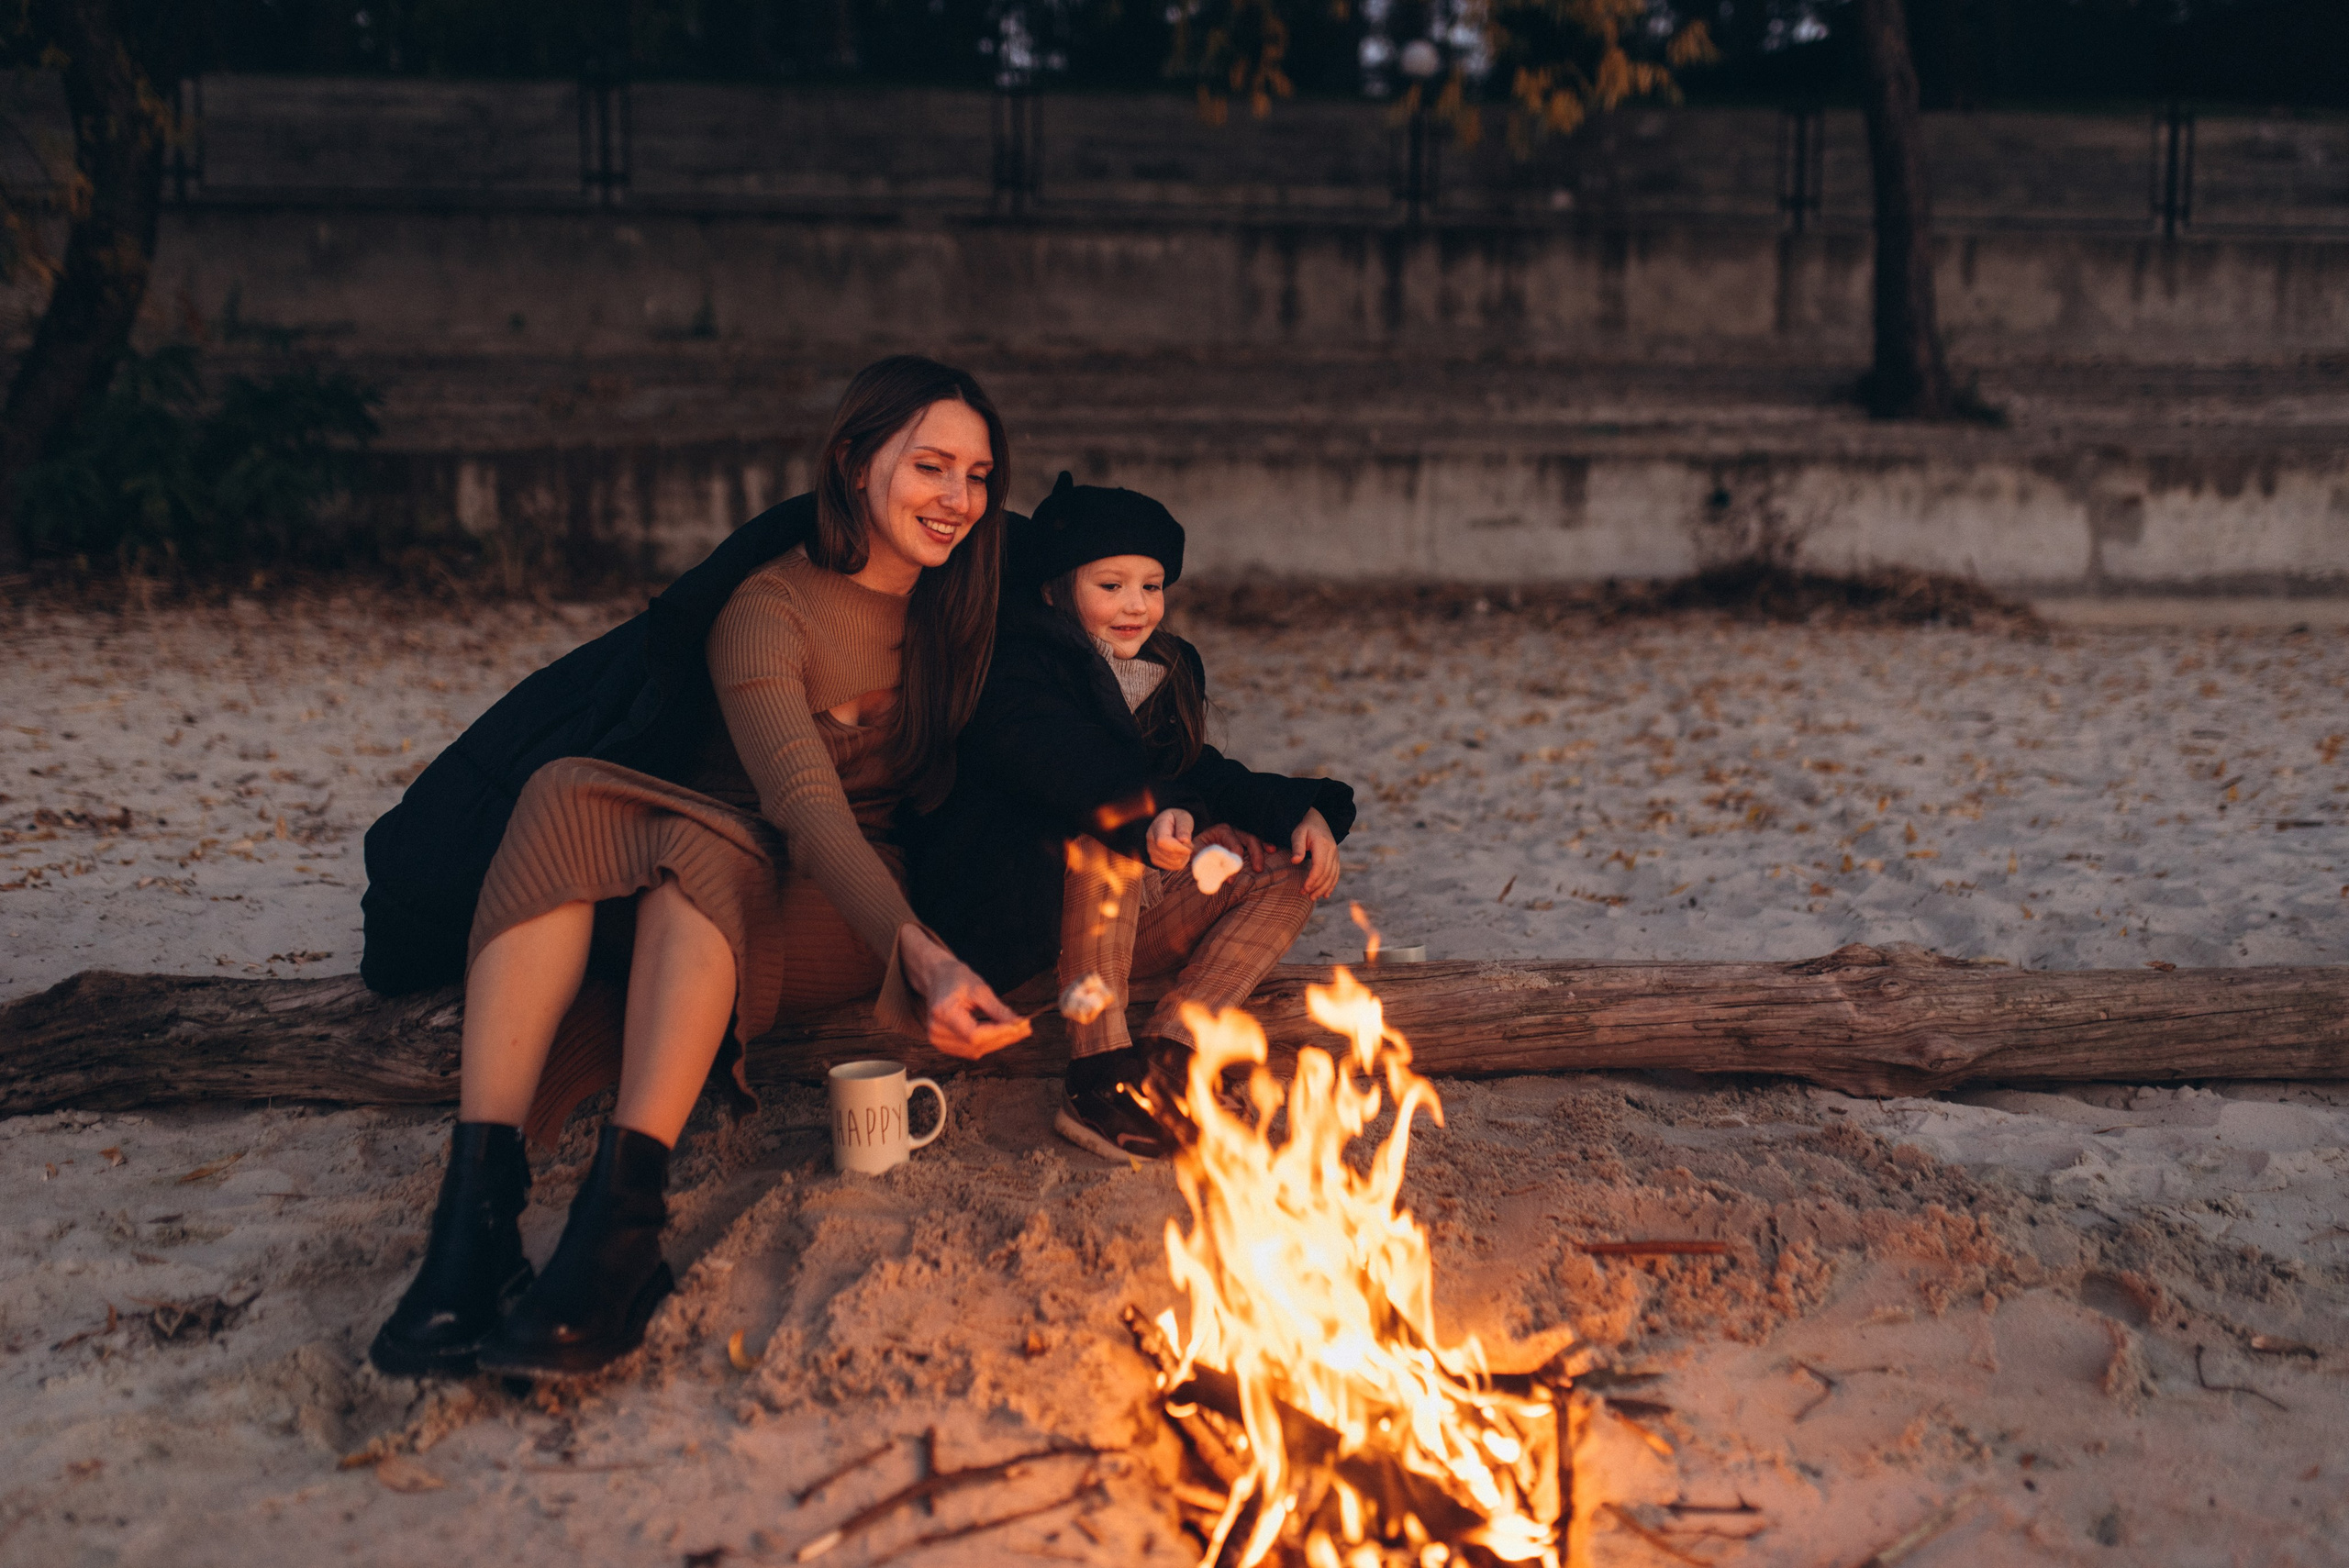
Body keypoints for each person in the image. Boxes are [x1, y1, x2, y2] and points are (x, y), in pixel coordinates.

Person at [364, 356, 1029, 1382]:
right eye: (930, 465)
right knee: (568, 792)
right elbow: (800, 800)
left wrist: (919, 938)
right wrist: (922, 953)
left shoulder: (974, 613)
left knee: (696, 855)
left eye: (978, 476)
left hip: (840, 906)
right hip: (731, 848)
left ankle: (616, 1221)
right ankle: (480, 1210)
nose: (956, 499)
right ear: (853, 462)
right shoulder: (766, 608)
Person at [910, 473, 1355, 1161]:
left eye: (1151, 586)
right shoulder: (1018, 669)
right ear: (1058, 589)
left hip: (1125, 916)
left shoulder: (1158, 670)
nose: (1136, 606)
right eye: (1110, 585)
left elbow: (1194, 768)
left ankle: (1173, 1052)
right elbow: (1069, 764)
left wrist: (1298, 811)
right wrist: (1154, 817)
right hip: (1021, 917)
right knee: (1110, 824)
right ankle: (1097, 1074)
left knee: (1280, 866)